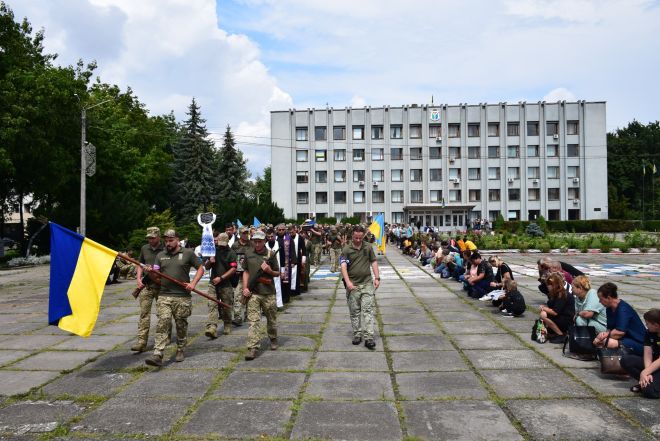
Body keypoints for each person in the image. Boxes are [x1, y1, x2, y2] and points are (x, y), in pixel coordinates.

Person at [145, 229, 204, 366]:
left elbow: (201, 268)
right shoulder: (160, 255)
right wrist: (151, 272)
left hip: (182, 296)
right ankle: (158, 353)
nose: (168, 243)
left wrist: (193, 283)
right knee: (163, 322)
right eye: (166, 241)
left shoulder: (188, 253)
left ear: (178, 240)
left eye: (171, 240)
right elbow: (156, 276)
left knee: (180, 324)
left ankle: (180, 348)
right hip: (164, 295)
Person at [340, 226, 381, 350]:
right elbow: (343, 267)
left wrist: (377, 278)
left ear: (363, 236)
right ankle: (357, 334)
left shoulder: (367, 247)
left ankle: (369, 338)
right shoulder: (347, 249)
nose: (358, 240)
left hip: (367, 283)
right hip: (353, 286)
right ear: (352, 236)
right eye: (356, 237)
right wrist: (348, 283)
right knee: (355, 311)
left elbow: (373, 261)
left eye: (360, 237)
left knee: (367, 310)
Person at [242, 230, 280, 361]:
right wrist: (245, 288)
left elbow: (277, 273)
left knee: (271, 319)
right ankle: (253, 347)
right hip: (253, 293)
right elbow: (246, 272)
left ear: (264, 241)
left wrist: (269, 271)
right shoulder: (248, 254)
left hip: (268, 292)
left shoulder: (271, 254)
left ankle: (273, 338)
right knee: (253, 321)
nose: (257, 244)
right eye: (255, 241)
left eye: (260, 241)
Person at [131, 227, 164, 352]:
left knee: (163, 314)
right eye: (149, 238)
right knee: (144, 314)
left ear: (158, 237)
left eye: (153, 238)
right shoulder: (144, 248)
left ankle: (164, 336)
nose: (150, 240)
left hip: (161, 286)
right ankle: (141, 341)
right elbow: (140, 264)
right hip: (146, 286)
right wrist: (138, 279)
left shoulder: (165, 249)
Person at [593, 282, 646, 356]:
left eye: (601, 299)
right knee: (601, 340)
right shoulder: (609, 308)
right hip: (625, 339)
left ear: (609, 298)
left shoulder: (623, 309)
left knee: (607, 342)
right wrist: (602, 335)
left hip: (638, 342)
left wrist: (603, 337)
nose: (599, 302)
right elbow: (610, 329)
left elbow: (620, 332)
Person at [204, 232, 237, 339]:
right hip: (213, 283)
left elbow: (233, 269)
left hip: (225, 283)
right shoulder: (213, 251)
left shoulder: (231, 253)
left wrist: (221, 278)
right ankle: (212, 327)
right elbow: (207, 267)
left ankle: (227, 323)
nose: (221, 245)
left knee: (226, 305)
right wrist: (210, 261)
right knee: (212, 304)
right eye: (219, 242)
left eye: (223, 243)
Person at [621, 309, 660, 398]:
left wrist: (645, 372)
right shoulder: (649, 332)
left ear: (656, 325)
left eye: (647, 324)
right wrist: (647, 372)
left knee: (650, 392)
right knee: (626, 360)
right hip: (654, 363)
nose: (646, 326)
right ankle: (646, 382)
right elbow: (648, 353)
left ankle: (648, 386)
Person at [539, 272, 575, 343]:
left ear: (554, 285)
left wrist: (544, 308)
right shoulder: (556, 293)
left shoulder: (562, 295)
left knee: (543, 314)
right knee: (544, 313)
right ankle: (551, 332)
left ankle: (561, 335)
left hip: (567, 320)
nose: (548, 287)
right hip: (561, 317)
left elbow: (555, 312)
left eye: (549, 285)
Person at [231, 226, 253, 326]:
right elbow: (231, 258)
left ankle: (248, 314)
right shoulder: (235, 245)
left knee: (250, 294)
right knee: (237, 295)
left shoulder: (252, 244)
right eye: (243, 233)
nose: (245, 234)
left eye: (247, 233)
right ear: (240, 234)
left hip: (249, 273)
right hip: (238, 274)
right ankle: (237, 316)